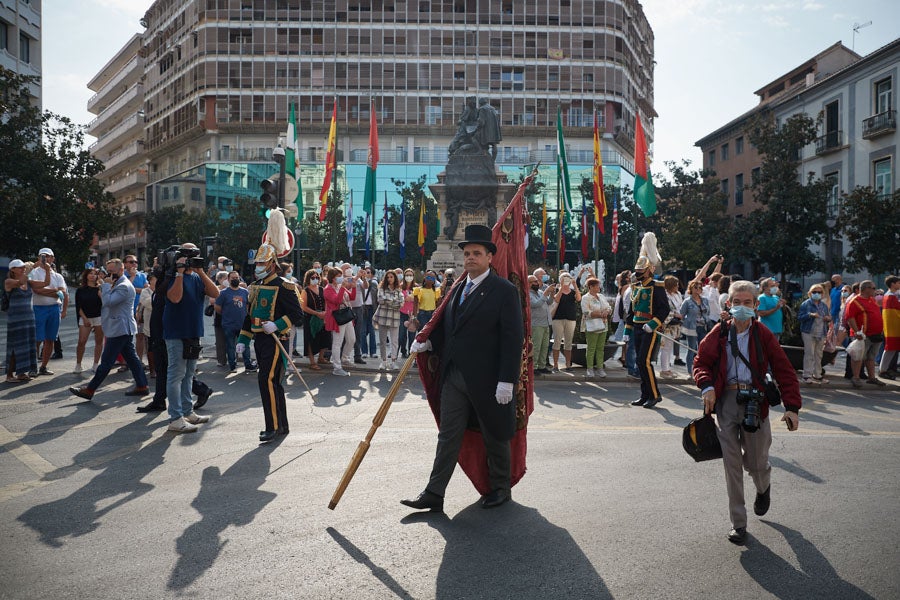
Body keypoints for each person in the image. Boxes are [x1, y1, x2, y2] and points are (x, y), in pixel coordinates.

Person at [402, 224, 524, 511]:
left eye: (477, 253)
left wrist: (507, 379)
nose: (470, 258)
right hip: (454, 375)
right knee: (448, 435)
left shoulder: (504, 291)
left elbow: (512, 338)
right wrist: (429, 343)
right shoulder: (458, 289)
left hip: (489, 378)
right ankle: (434, 492)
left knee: (494, 433)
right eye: (467, 253)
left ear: (489, 257)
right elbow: (450, 328)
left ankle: (500, 488)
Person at [692, 280, 802, 545]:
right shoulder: (719, 332)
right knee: (731, 464)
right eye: (737, 302)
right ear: (729, 304)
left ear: (755, 305)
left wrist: (792, 408)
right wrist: (706, 385)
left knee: (755, 463)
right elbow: (701, 361)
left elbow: (784, 370)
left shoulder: (762, 334)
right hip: (726, 401)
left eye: (747, 302)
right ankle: (738, 523)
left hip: (756, 401)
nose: (742, 307)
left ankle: (763, 488)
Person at [236, 244, 304, 442]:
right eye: (257, 262)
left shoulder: (285, 286)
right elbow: (250, 316)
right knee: (273, 384)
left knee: (267, 381)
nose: (259, 265)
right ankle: (281, 425)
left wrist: (277, 324)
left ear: (272, 264)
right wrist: (243, 339)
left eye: (263, 262)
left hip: (276, 340)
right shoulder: (256, 285)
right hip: (260, 340)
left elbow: (297, 315)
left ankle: (272, 426)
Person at [69, 259, 150, 401]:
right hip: (120, 327)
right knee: (132, 359)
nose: (108, 275)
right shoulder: (117, 283)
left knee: (106, 361)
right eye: (108, 272)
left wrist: (106, 286)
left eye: (112, 272)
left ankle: (90, 389)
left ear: (121, 270)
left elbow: (108, 302)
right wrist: (106, 286)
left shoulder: (124, 286)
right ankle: (142, 386)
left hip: (120, 328)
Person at [162, 243, 219, 433]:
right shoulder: (171, 275)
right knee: (176, 375)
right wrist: (179, 272)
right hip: (176, 332)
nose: (191, 259)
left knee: (188, 375)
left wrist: (201, 272)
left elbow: (215, 293)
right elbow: (175, 298)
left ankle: (188, 411)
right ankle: (175, 418)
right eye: (188, 255)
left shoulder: (196, 277)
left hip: (194, 331)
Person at [625, 256, 669, 408]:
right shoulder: (636, 287)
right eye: (636, 271)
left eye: (641, 271)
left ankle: (655, 395)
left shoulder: (657, 286)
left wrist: (653, 324)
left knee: (645, 361)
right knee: (639, 362)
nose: (638, 273)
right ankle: (645, 395)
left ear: (648, 271)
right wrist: (627, 330)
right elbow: (632, 311)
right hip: (638, 327)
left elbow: (664, 309)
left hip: (649, 328)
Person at [27, 248, 67, 376]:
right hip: (38, 308)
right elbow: (37, 290)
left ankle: (43, 366)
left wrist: (54, 293)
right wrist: (55, 292)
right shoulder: (34, 273)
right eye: (43, 256)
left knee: (50, 339)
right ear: (38, 258)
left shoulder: (58, 276)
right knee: (37, 339)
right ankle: (33, 366)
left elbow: (62, 293)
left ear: (53, 259)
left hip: (54, 309)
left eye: (49, 256)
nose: (46, 259)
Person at [845, 280, 887, 388]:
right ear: (866, 289)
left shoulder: (872, 300)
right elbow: (850, 317)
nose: (875, 290)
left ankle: (871, 378)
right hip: (863, 335)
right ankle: (856, 377)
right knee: (858, 357)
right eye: (873, 288)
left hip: (876, 335)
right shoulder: (855, 301)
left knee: (871, 357)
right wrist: (856, 331)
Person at [4, 259, 39, 382]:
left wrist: (46, 268)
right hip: (16, 319)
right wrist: (32, 267)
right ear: (12, 269)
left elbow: (45, 283)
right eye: (20, 267)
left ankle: (21, 373)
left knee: (27, 345)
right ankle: (9, 375)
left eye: (23, 267)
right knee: (15, 346)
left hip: (29, 318)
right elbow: (20, 282)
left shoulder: (28, 282)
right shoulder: (9, 282)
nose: (22, 268)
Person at [216, 271, 256, 373]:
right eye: (233, 278)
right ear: (228, 280)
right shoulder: (223, 293)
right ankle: (232, 366)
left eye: (237, 277)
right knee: (231, 346)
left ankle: (248, 365)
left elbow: (248, 305)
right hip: (228, 324)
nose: (235, 279)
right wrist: (227, 314)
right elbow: (217, 307)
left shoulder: (244, 292)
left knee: (245, 345)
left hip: (243, 325)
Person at [324, 266, 357, 376]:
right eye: (339, 276)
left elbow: (351, 297)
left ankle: (345, 358)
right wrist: (343, 287)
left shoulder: (339, 286)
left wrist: (354, 287)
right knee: (337, 342)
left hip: (346, 316)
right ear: (332, 278)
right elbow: (337, 301)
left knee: (352, 339)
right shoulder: (328, 289)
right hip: (337, 318)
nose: (341, 278)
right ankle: (337, 367)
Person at [797, 283, 831, 384]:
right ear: (810, 293)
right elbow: (799, 317)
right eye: (814, 292)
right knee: (809, 354)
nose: (817, 294)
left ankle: (817, 375)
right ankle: (806, 375)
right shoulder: (806, 304)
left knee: (819, 354)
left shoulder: (823, 305)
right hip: (808, 332)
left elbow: (829, 317)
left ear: (823, 294)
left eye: (819, 292)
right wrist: (810, 315)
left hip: (821, 332)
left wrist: (828, 318)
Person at [74, 268, 104, 374]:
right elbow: (78, 307)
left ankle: (96, 364)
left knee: (99, 341)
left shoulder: (100, 289)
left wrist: (102, 293)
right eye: (90, 274)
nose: (92, 276)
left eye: (95, 274)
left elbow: (106, 304)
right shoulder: (80, 290)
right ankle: (78, 364)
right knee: (82, 341)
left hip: (99, 317)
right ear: (86, 275)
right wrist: (85, 319)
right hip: (85, 317)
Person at [580, 277, 611, 378]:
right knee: (591, 348)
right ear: (591, 287)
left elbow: (608, 307)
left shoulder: (601, 296)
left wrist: (607, 311)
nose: (599, 287)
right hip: (591, 327)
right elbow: (586, 312)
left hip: (603, 326)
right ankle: (590, 369)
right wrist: (599, 314)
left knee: (600, 348)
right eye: (597, 285)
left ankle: (600, 369)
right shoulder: (585, 298)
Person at [300, 268, 330, 370]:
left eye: (317, 277)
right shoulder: (305, 291)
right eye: (313, 277)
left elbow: (326, 302)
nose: (316, 279)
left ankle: (321, 358)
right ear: (308, 278)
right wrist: (316, 313)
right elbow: (304, 307)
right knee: (310, 340)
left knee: (325, 338)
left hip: (322, 316)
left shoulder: (322, 289)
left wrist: (325, 312)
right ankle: (312, 362)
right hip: (310, 318)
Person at [680, 280, 712, 374]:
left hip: (703, 326)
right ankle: (690, 372)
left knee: (702, 349)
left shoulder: (705, 300)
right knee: (691, 349)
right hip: (691, 328)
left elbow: (708, 312)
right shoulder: (687, 301)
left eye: (699, 288)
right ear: (691, 289)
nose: (698, 289)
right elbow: (682, 314)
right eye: (695, 287)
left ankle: (700, 370)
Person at [551, 271, 581, 371]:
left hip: (570, 319)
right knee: (557, 341)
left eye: (568, 278)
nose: (566, 280)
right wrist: (561, 288)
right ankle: (555, 365)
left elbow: (579, 299)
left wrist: (575, 285)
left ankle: (568, 364)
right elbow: (556, 300)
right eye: (564, 278)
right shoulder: (557, 290)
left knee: (568, 342)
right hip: (558, 319)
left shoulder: (573, 292)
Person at [374, 270, 404, 370]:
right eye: (388, 277)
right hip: (383, 317)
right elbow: (380, 300)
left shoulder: (399, 290)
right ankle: (383, 361)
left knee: (394, 341)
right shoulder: (381, 288)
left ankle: (394, 361)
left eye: (391, 277)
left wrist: (389, 301)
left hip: (394, 319)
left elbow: (400, 304)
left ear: (395, 278)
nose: (389, 279)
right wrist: (394, 302)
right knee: (382, 341)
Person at [124, 255, 148, 369]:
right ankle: (125, 362)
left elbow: (147, 290)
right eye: (131, 262)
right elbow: (124, 289)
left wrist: (133, 289)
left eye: (136, 262)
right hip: (126, 311)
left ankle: (139, 360)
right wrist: (132, 278)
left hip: (140, 310)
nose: (134, 264)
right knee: (125, 338)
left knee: (140, 336)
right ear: (125, 264)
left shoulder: (142, 275)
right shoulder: (123, 276)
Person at [658, 275, 684, 378]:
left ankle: (667, 368)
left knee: (669, 347)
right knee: (665, 347)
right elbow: (665, 309)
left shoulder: (677, 294)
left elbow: (680, 307)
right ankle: (664, 370)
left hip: (675, 324)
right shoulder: (664, 295)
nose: (678, 286)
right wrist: (675, 314)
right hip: (667, 324)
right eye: (675, 285)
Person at [529, 274, 553, 375]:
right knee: (537, 346)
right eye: (534, 281)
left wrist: (551, 293)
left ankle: (542, 366)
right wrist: (546, 293)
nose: (537, 283)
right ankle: (533, 368)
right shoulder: (528, 294)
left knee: (545, 346)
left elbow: (549, 302)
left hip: (546, 323)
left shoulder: (539, 292)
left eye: (537, 281)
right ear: (528, 283)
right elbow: (536, 304)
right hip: (536, 324)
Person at [879, 275, 899, 379]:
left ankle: (884, 370)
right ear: (892, 284)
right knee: (889, 349)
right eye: (898, 283)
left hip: (892, 327)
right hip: (893, 328)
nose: (899, 285)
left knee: (891, 349)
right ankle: (883, 370)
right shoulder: (890, 296)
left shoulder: (890, 296)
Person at [135, 274, 156, 377]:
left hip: (162, 324)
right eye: (155, 278)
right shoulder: (145, 291)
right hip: (149, 324)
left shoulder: (163, 290)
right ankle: (152, 370)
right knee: (150, 347)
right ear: (150, 280)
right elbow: (149, 304)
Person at [358, 267, 379, 359]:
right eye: (365, 272)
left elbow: (377, 299)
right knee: (362, 332)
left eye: (368, 272)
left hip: (371, 309)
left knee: (372, 331)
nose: (366, 274)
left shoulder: (374, 284)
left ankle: (373, 352)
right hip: (362, 309)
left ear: (372, 275)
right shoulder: (360, 283)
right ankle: (364, 352)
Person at [398, 268, 416, 357]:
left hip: (412, 314)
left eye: (411, 275)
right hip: (402, 313)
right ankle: (403, 351)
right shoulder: (400, 287)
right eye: (407, 275)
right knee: (402, 334)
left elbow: (418, 300)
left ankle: (410, 352)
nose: (409, 277)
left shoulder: (416, 287)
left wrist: (414, 299)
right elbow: (398, 299)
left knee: (412, 335)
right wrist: (405, 299)